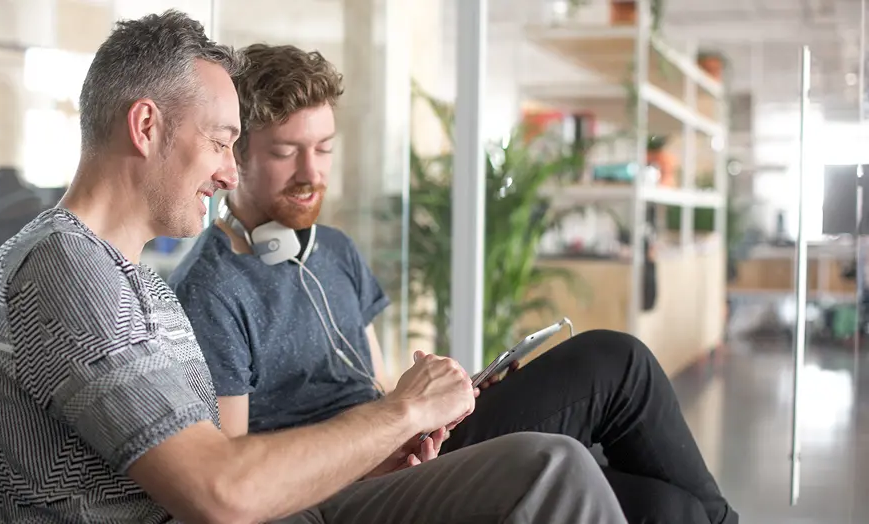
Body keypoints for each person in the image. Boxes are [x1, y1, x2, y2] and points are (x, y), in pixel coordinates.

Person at [0, 10, 628, 524]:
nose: (229, 171)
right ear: (146, 127)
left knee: (557, 468)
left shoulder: (134, 282)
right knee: (551, 469)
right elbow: (219, 491)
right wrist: (397, 413)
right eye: (223, 143)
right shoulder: (64, 270)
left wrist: (378, 453)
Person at [168, 43, 739, 524]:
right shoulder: (211, 290)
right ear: (235, 156)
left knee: (666, 502)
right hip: (343, 484)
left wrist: (438, 404)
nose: (311, 173)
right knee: (619, 364)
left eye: (323, 150)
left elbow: (373, 383)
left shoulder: (335, 249)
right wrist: (387, 438)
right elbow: (239, 473)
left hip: (406, 441)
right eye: (286, 153)